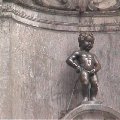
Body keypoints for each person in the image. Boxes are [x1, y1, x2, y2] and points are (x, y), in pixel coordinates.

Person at [66, 32, 101, 102]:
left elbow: (98, 65)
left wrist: (94, 70)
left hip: (92, 72)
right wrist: (77, 66)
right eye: (88, 41)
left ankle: (93, 97)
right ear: (81, 42)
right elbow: (69, 60)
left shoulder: (93, 55)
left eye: (91, 42)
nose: (90, 44)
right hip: (83, 70)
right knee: (85, 83)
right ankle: (85, 98)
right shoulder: (78, 53)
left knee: (95, 83)